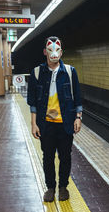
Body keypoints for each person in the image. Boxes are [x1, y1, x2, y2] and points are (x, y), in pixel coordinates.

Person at [27, 36, 83, 202]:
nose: (54, 53)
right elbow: (33, 102)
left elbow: (77, 97)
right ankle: (50, 187)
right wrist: (33, 123)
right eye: (50, 50)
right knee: (48, 157)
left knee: (65, 156)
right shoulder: (37, 73)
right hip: (46, 125)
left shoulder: (69, 71)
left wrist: (78, 117)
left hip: (65, 124)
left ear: (61, 52)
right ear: (45, 52)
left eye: (57, 50)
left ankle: (63, 187)